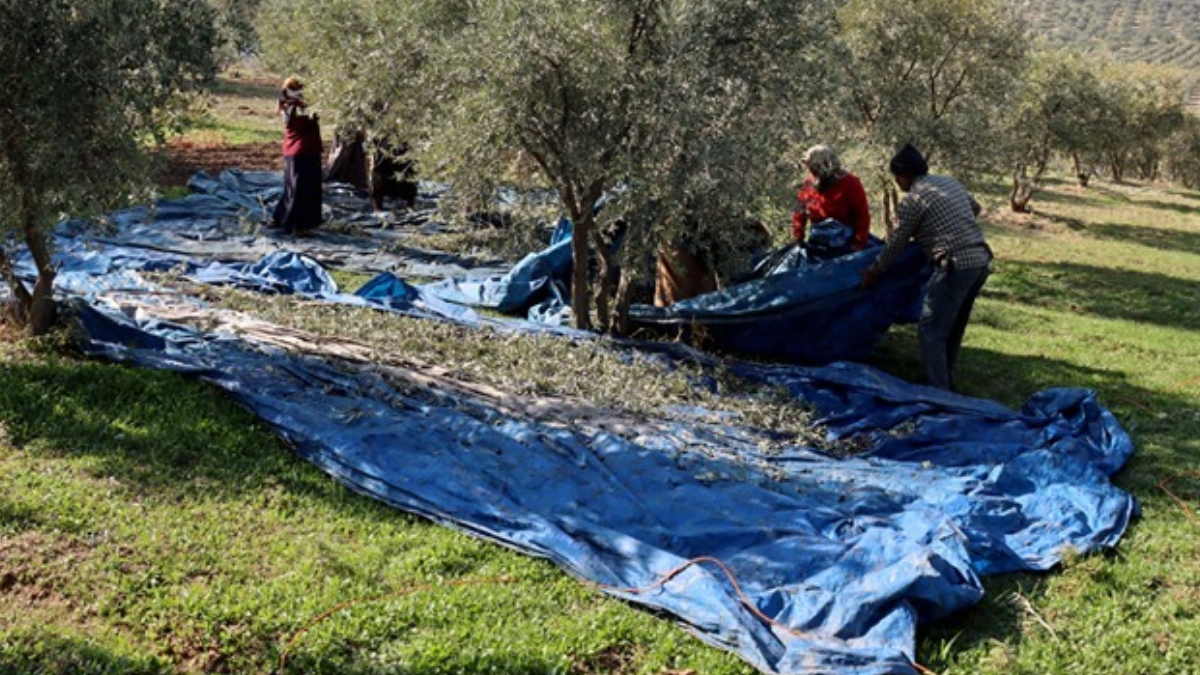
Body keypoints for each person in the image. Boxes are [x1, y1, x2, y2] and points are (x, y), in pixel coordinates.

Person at [861, 143, 992, 391]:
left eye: (897, 178)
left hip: (954, 266)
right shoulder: (948, 183)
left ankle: (938, 390)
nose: (898, 183)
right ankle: (944, 378)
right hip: (980, 260)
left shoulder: (914, 200)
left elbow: (895, 243)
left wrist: (874, 271)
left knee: (931, 329)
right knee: (953, 326)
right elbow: (975, 208)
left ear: (904, 175)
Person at [792, 145, 871, 254]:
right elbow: (799, 213)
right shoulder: (808, 184)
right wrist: (798, 237)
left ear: (825, 166)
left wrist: (858, 244)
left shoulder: (850, 183)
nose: (811, 172)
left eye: (814, 168)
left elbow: (862, 215)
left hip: (847, 244)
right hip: (818, 244)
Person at [271, 77, 323, 235]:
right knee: (303, 188)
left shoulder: (287, 103)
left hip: (296, 150)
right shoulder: (295, 105)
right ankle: (298, 225)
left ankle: (282, 218)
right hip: (305, 150)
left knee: (293, 186)